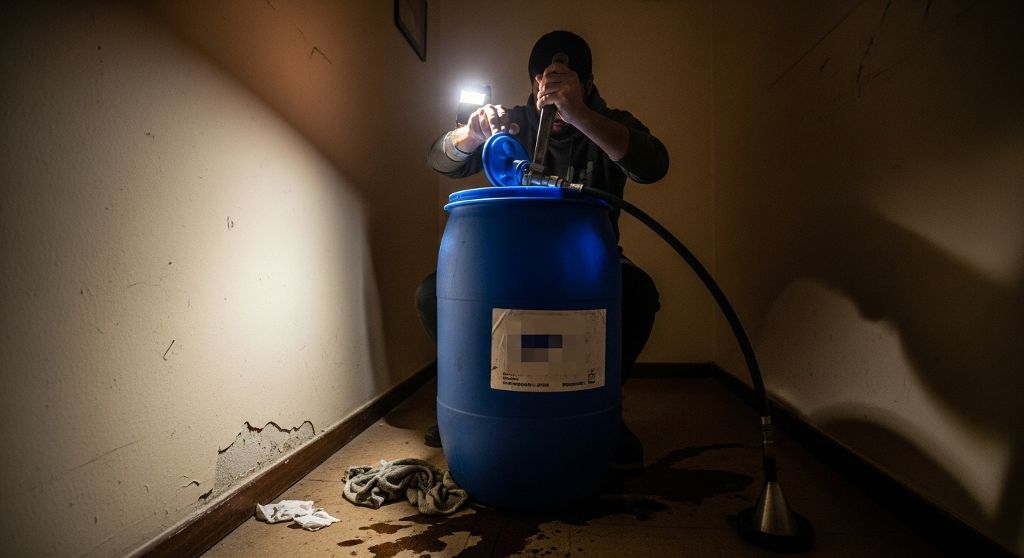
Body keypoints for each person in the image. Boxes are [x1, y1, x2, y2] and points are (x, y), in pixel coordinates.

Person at [418, 30, 668, 469]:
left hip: (589, 265)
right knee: (430, 294)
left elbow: (653, 166)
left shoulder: (609, 120)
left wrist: (580, 116)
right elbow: (439, 160)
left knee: (640, 294)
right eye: (543, 85)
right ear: (533, 84)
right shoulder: (514, 121)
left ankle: (606, 405)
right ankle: (469, 397)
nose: (551, 98)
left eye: (567, 84)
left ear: (587, 84)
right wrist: (470, 135)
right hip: (508, 265)